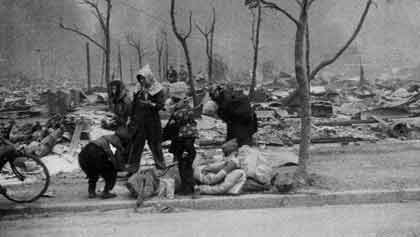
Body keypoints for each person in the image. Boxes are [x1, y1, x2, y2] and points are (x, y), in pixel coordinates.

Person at [127, 64, 166, 173]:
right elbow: (134, 105)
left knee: (155, 145)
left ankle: (161, 166)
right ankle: (132, 168)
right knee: (137, 145)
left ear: (149, 77)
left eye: (144, 78)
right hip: (139, 122)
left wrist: (150, 104)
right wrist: (131, 118)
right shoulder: (138, 89)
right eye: (140, 79)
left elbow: (160, 105)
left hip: (152, 122)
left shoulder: (157, 89)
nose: (142, 81)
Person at [78, 128, 130, 199]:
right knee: (112, 172)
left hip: (84, 154)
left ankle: (91, 192)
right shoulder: (117, 142)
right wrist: (122, 168)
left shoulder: (107, 137)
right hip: (96, 154)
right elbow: (115, 160)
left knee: (93, 173)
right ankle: (106, 192)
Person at [162, 96, 198, 195]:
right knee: (187, 167)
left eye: (172, 104)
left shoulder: (179, 114)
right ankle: (191, 187)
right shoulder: (187, 111)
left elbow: (169, 129)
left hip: (184, 146)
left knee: (184, 167)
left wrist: (160, 138)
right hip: (187, 146)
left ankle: (189, 189)